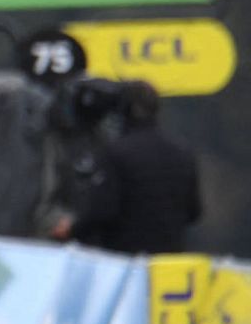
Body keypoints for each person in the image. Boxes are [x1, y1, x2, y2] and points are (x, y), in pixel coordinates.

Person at [51, 81, 202, 254]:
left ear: (124, 110)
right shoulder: (182, 152)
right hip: (169, 262)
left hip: (125, 261)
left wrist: (71, 230)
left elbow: (103, 211)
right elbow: (194, 211)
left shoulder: (116, 153)